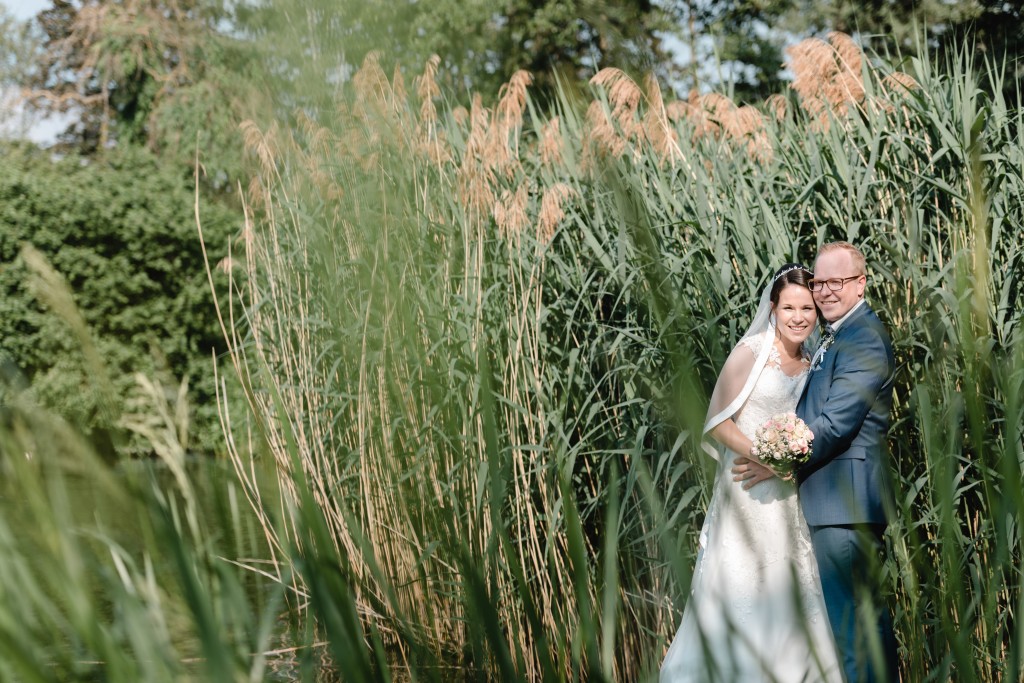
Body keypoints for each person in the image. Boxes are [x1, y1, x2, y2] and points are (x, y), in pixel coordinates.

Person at [661, 264, 843, 683]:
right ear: (773, 308)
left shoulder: (815, 362)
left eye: (807, 309)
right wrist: (765, 454)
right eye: (789, 308)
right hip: (748, 492)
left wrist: (786, 464)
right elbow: (717, 422)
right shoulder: (753, 352)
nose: (799, 317)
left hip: (789, 496)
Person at [797, 242, 900, 681]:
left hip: (845, 506)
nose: (825, 291)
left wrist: (777, 458)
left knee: (856, 633)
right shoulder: (836, 335)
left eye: (836, 282)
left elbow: (836, 422)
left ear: (860, 284)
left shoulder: (864, 338)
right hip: (835, 505)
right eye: (819, 282)